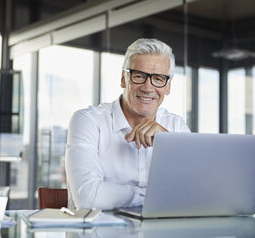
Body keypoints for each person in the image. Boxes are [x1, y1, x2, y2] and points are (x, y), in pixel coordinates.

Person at [65, 38, 190, 210]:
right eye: (139, 76)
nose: (148, 87)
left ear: (168, 87)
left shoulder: (175, 126)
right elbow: (88, 198)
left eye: (158, 79)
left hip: (158, 235)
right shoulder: (88, 121)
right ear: (124, 79)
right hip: (95, 236)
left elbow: (196, 191)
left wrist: (168, 144)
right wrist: (154, 195)